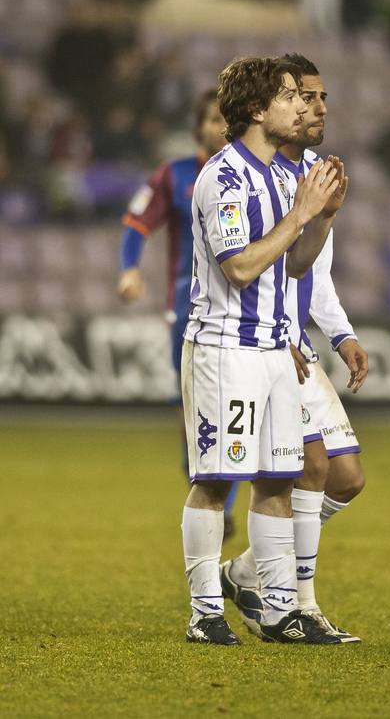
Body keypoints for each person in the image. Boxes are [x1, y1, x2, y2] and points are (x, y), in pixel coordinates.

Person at [180, 56, 342, 646]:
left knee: (278, 479)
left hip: (277, 351)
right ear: (256, 110)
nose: (303, 107)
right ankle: (204, 612)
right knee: (217, 479)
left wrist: (320, 220)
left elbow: (295, 264)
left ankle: (276, 610)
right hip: (226, 349)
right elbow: (242, 267)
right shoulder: (222, 178)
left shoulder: (280, 176)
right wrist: (301, 213)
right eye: (290, 97)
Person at [220, 52, 370, 643]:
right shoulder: (254, 172)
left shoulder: (312, 172)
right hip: (263, 344)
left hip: (297, 342)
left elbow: (310, 272)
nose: (316, 108)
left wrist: (341, 333)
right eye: (304, 97)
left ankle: (250, 570)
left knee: (347, 476)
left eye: (322, 98)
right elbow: (250, 268)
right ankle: (299, 603)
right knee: (306, 467)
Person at [118, 90, 243, 536]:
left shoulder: (251, 177)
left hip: (243, 314)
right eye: (212, 119)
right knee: (193, 412)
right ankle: (203, 480)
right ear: (198, 128)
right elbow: (136, 223)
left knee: (236, 407)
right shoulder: (175, 175)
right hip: (188, 311)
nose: (220, 128)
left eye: (227, 120)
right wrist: (129, 269)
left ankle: (223, 505)